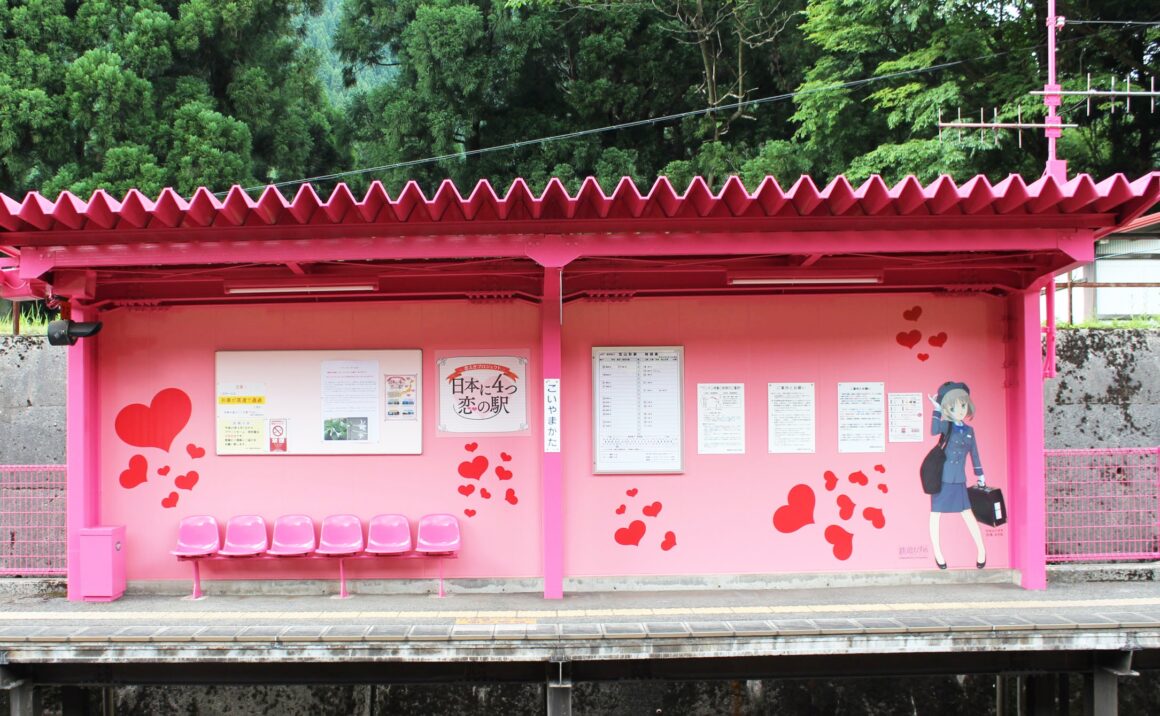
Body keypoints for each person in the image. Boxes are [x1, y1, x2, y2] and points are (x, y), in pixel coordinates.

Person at [926, 381, 987, 569]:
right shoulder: (946, 426)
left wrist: (980, 475)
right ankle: (938, 552)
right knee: (936, 514)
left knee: (968, 514)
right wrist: (936, 410)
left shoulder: (970, 431)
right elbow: (933, 430)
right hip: (942, 478)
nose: (959, 410)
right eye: (952, 407)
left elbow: (974, 454)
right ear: (947, 409)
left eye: (962, 405)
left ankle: (981, 551)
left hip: (959, 479)